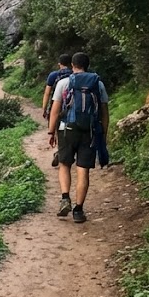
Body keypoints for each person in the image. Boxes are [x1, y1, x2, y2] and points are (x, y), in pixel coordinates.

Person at [48, 52, 109, 224]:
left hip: (67, 129)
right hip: (89, 131)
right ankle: (78, 210)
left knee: (64, 164)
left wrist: (51, 132)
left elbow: (55, 111)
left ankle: (65, 197)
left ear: (72, 65)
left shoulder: (63, 83)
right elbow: (104, 113)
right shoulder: (98, 84)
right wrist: (103, 135)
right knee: (83, 170)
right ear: (87, 65)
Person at [42, 54, 73, 120]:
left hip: (55, 105)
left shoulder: (53, 75)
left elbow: (47, 93)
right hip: (71, 105)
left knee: (54, 125)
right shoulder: (74, 75)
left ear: (59, 64)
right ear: (71, 64)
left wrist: (44, 109)